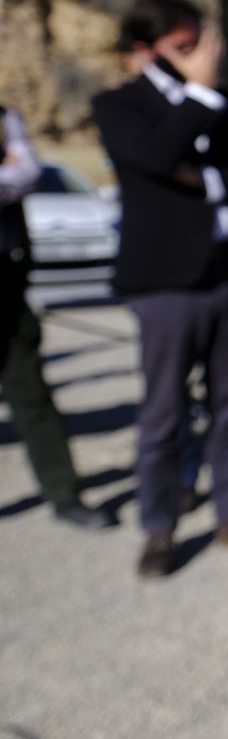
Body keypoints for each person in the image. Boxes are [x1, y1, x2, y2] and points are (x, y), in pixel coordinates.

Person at [91, 0, 228, 578]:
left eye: (204, 45)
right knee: (163, 411)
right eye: (185, 48)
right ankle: (160, 525)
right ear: (148, 52)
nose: (202, 56)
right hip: (165, 283)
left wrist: (204, 181)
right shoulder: (120, 105)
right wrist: (198, 94)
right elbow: (154, 157)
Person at [0, 106, 116, 530]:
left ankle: (64, 494)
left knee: (31, 396)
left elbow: (28, 173)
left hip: (9, 291)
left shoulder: (5, 118)